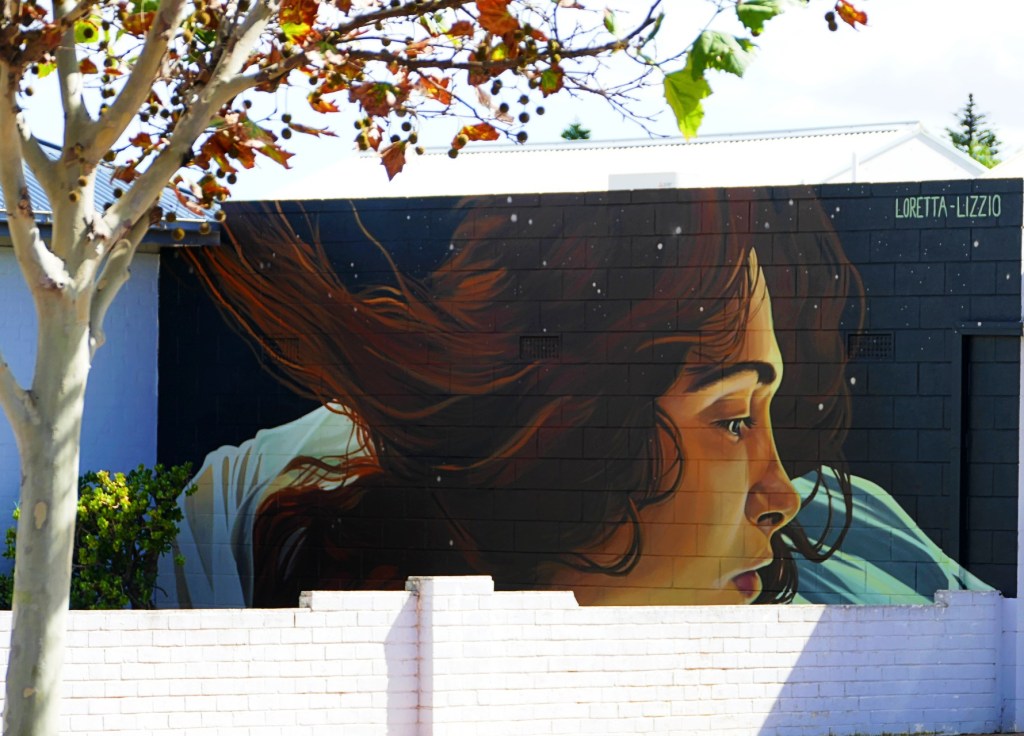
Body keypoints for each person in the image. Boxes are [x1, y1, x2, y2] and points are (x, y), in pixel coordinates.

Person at [163, 196, 988, 608]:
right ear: (576, 431)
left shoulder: (873, 553)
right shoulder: (235, 518)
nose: (781, 495)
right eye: (734, 418)